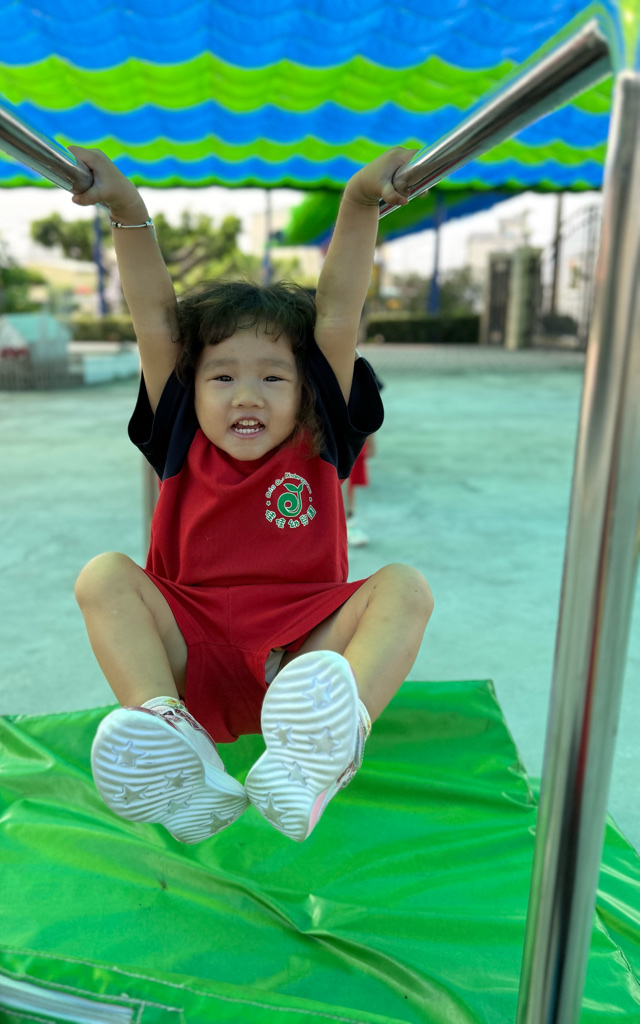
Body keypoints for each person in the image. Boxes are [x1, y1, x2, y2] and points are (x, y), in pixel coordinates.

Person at [70, 144, 434, 845]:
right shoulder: (180, 432)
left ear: (305, 391)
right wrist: (127, 210)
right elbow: (155, 319)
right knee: (103, 576)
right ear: (192, 385)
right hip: (190, 645)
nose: (247, 395)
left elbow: (337, 314)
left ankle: (320, 751)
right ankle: (171, 735)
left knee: (406, 588)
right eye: (222, 377)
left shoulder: (317, 438)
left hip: (298, 663)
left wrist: (360, 203)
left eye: (272, 377)